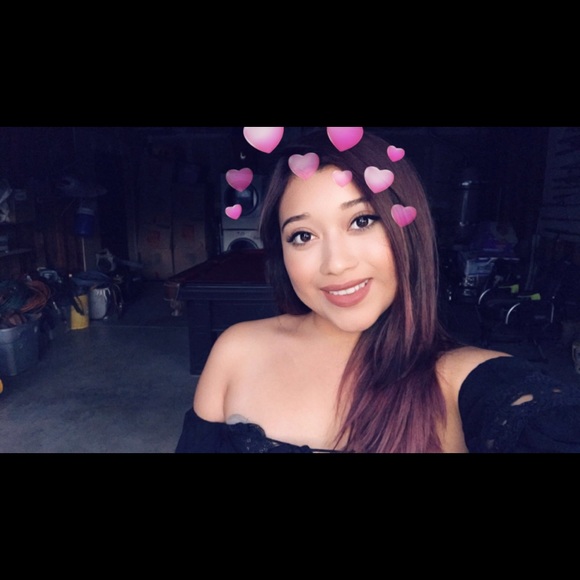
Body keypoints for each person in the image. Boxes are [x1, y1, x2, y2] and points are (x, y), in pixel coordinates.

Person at [176, 128, 580, 453]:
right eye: (302, 235)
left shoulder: (458, 379)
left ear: (407, 228)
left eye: (362, 221)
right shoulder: (237, 351)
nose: (336, 264)